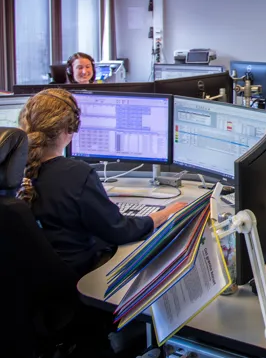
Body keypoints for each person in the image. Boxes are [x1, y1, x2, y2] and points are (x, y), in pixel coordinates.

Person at [17, 89, 186, 277]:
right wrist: (163, 215)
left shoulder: (12, 170)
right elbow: (119, 231)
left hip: (29, 280)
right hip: (74, 278)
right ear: (70, 129)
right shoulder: (76, 174)